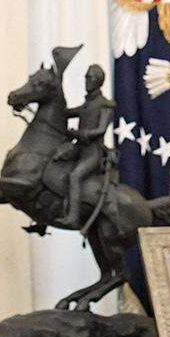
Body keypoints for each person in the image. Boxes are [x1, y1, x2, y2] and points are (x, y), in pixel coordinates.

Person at [54, 64, 114, 227]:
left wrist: (80, 134)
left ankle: (73, 216)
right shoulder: (87, 104)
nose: (86, 81)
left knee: (75, 176)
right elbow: (66, 112)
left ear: (98, 81)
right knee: (53, 162)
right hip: (79, 148)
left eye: (89, 78)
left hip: (93, 152)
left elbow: (100, 130)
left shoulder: (105, 105)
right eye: (86, 77)